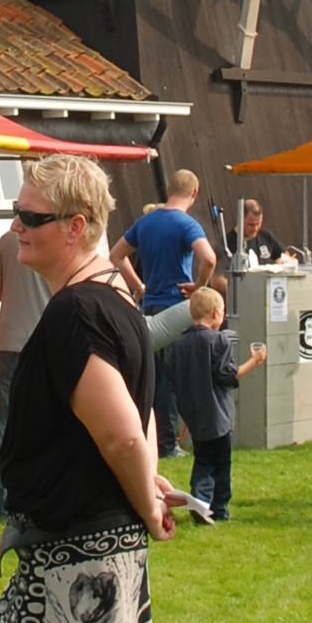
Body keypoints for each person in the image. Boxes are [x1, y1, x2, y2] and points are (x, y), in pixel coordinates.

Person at [0, 155, 175, 623]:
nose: (15, 228)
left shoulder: (77, 315)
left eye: (29, 217)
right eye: (15, 214)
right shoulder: (113, 297)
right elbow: (142, 413)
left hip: (83, 546)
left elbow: (122, 431)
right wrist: (148, 486)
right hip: (75, 542)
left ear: (75, 226)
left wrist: (147, 502)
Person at [109, 169, 216, 458]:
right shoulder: (186, 224)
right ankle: (168, 444)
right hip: (176, 306)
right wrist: (199, 288)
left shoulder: (146, 221)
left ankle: (150, 438)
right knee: (171, 378)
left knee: (151, 377)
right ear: (194, 194)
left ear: (169, 189)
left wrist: (138, 286)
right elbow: (209, 257)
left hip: (150, 305)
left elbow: (116, 255)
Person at [172, 285, 265, 523]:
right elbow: (229, 376)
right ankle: (217, 508)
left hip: (193, 412)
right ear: (215, 313)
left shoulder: (180, 343)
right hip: (218, 415)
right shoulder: (218, 341)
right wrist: (253, 362)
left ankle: (199, 501)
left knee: (202, 458)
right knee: (220, 463)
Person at [0, 223, 51, 518]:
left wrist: (15, 296)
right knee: (43, 423)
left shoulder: (7, 240)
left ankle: (0, 502)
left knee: (0, 423)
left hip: (9, 342)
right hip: (44, 342)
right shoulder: (57, 238)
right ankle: (36, 493)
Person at [227, 200, 284, 265]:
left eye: (258, 224)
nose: (255, 228)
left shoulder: (266, 236)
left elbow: (284, 256)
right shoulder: (227, 243)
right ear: (240, 220)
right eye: (251, 225)